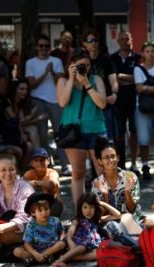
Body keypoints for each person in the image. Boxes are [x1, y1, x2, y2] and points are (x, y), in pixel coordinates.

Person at [56, 48, 108, 209]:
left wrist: (86, 84)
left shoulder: (96, 79)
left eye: (87, 65)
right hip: (74, 132)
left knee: (102, 172)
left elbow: (102, 103)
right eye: (80, 65)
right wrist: (72, 80)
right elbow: (62, 103)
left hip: (96, 129)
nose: (85, 68)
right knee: (78, 173)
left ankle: (107, 209)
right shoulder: (63, 81)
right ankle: (81, 211)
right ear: (71, 65)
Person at [26, 33, 67, 172]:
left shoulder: (56, 61)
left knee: (60, 133)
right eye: (41, 46)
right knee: (42, 134)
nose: (44, 49)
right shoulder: (30, 63)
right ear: (37, 48)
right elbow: (32, 85)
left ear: (50, 48)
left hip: (55, 100)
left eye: (46, 46)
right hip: (38, 101)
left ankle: (65, 164)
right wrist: (45, 72)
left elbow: (60, 82)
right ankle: (47, 163)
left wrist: (53, 72)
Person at [49, 192, 113, 267]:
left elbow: (118, 215)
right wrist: (70, 241)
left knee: (99, 254)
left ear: (96, 208)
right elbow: (70, 231)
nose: (88, 211)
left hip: (91, 246)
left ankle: (70, 257)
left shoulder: (97, 220)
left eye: (92, 207)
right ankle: (59, 261)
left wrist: (102, 203)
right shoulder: (78, 219)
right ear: (80, 208)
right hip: (77, 244)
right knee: (82, 248)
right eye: (85, 207)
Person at [0, 155, 34, 247]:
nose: (8, 174)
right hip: (4, 229)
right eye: (3, 170)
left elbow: (24, 219)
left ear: (16, 170)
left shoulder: (25, 189)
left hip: (28, 231)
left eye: (11, 169)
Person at [91, 141, 143, 233]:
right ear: (100, 161)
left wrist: (127, 192)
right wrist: (105, 194)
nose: (111, 160)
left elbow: (132, 210)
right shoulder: (97, 183)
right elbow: (102, 214)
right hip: (110, 222)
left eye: (113, 156)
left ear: (118, 158)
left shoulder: (130, 177)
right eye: (106, 157)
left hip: (131, 219)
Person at [134, 41, 154, 181]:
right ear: (143, 53)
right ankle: (146, 166)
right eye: (147, 51)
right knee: (143, 139)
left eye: (153, 51)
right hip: (143, 108)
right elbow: (139, 88)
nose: (150, 54)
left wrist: (147, 88)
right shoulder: (138, 69)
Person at [82, 29, 119, 151]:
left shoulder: (106, 60)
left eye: (95, 40)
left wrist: (114, 93)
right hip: (87, 105)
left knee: (108, 139)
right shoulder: (81, 61)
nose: (93, 43)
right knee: (89, 139)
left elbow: (113, 80)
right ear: (84, 43)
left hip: (105, 104)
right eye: (90, 40)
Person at [110, 31, 141, 172]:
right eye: (121, 39)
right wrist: (132, 78)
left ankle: (134, 163)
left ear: (131, 40)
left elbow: (140, 79)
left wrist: (121, 77)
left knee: (134, 132)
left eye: (127, 39)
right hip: (118, 102)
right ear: (118, 41)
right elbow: (112, 80)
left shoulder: (138, 58)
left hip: (135, 101)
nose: (124, 41)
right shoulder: (112, 59)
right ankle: (121, 163)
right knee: (119, 134)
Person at [13, 192, 65, 266]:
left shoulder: (55, 220)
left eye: (46, 209)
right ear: (33, 213)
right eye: (40, 210)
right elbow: (27, 244)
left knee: (61, 244)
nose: (44, 213)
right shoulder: (31, 225)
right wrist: (36, 254)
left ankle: (34, 259)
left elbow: (61, 231)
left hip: (52, 248)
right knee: (17, 251)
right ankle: (45, 258)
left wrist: (61, 239)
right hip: (36, 250)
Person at [22, 148, 63, 218]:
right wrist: (41, 184)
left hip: (53, 204)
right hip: (37, 205)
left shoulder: (52, 172)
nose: (39, 163)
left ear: (48, 161)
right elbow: (22, 184)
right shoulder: (29, 173)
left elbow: (51, 184)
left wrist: (35, 183)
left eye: (42, 160)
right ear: (32, 163)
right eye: (36, 160)